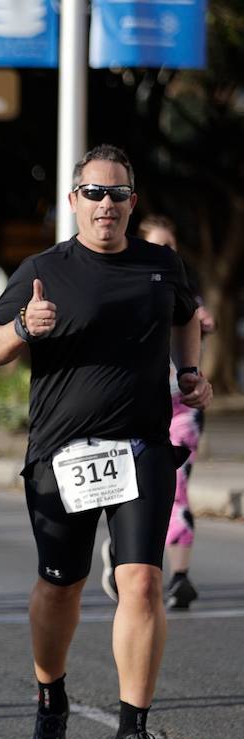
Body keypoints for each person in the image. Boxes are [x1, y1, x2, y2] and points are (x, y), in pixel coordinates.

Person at [0, 145, 210, 739]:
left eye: (118, 195)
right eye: (93, 193)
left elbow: (188, 316)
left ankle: (131, 733)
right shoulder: (43, 268)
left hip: (142, 449)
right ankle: (50, 698)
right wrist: (26, 323)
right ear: (74, 200)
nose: (106, 205)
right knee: (62, 586)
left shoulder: (160, 265)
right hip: (63, 457)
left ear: (132, 202)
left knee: (139, 583)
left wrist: (189, 372)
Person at [131, 216, 214, 611]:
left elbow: (194, 327)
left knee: (177, 484)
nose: (169, 253)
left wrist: (204, 325)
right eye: (159, 246)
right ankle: (126, 549)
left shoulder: (185, 295)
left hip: (181, 407)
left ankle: (179, 577)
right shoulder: (127, 288)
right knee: (138, 491)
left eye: (172, 246)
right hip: (135, 408)